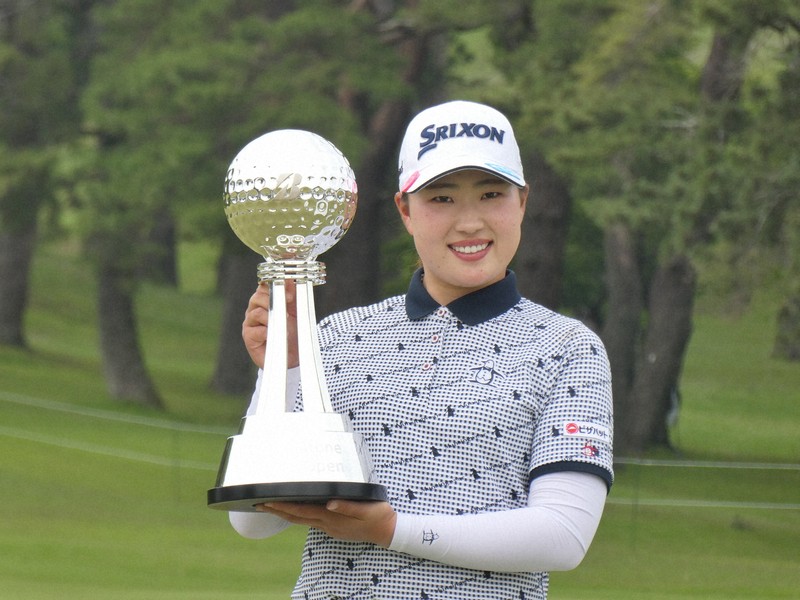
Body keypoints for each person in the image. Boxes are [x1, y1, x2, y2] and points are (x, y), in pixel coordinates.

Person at [230, 100, 614, 600]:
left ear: (522, 202)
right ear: (405, 210)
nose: (470, 222)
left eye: (491, 194)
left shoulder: (567, 348)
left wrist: (393, 530)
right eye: (442, 198)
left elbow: (563, 536)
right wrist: (283, 372)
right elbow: (252, 521)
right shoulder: (337, 336)